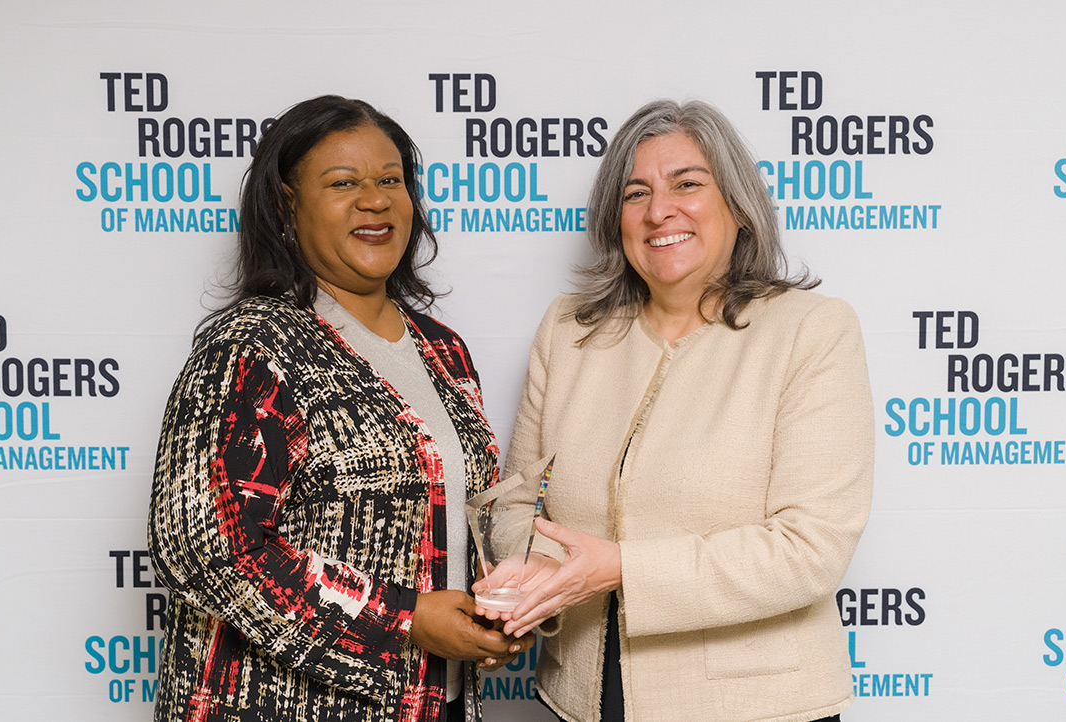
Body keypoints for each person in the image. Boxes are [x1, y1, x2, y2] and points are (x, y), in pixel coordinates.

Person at [475, 99, 874, 722]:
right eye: (636, 193)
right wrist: (537, 570)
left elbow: (810, 548)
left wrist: (619, 569)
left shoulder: (812, 331)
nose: (660, 211)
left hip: (756, 705)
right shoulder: (568, 329)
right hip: (587, 693)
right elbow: (519, 500)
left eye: (687, 184)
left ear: (739, 206)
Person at [148, 95, 525, 722]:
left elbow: (458, 518)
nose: (374, 200)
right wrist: (404, 622)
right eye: (343, 183)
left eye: (389, 181)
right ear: (286, 206)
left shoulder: (443, 351)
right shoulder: (253, 347)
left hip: (438, 703)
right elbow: (204, 546)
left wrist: (501, 607)